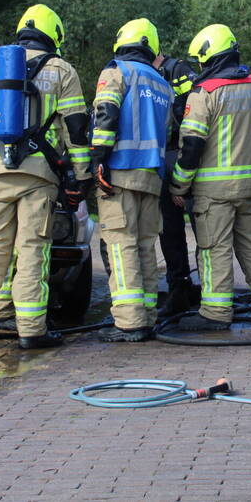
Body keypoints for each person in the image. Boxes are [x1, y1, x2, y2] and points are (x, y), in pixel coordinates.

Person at [0, 4, 92, 349]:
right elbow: (76, 129)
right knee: (33, 250)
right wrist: (80, 176)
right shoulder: (62, 71)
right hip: (38, 176)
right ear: (55, 36)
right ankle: (31, 331)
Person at [169, 25, 251, 331]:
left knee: (214, 249)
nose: (200, 69)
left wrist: (179, 185)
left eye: (201, 63)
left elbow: (191, 146)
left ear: (210, 58)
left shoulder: (204, 94)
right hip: (250, 189)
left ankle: (216, 313)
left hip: (212, 192)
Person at [90, 18, 174, 342]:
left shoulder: (116, 72)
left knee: (120, 246)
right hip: (151, 178)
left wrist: (98, 161)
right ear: (149, 46)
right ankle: (148, 315)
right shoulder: (162, 84)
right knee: (145, 248)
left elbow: (106, 115)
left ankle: (129, 322)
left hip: (119, 174)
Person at [153, 51, 200, 316]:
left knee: (203, 231)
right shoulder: (145, 73)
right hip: (164, 162)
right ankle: (179, 287)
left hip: (184, 159)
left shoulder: (179, 70)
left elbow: (191, 124)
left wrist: (183, 181)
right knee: (169, 232)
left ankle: (211, 293)